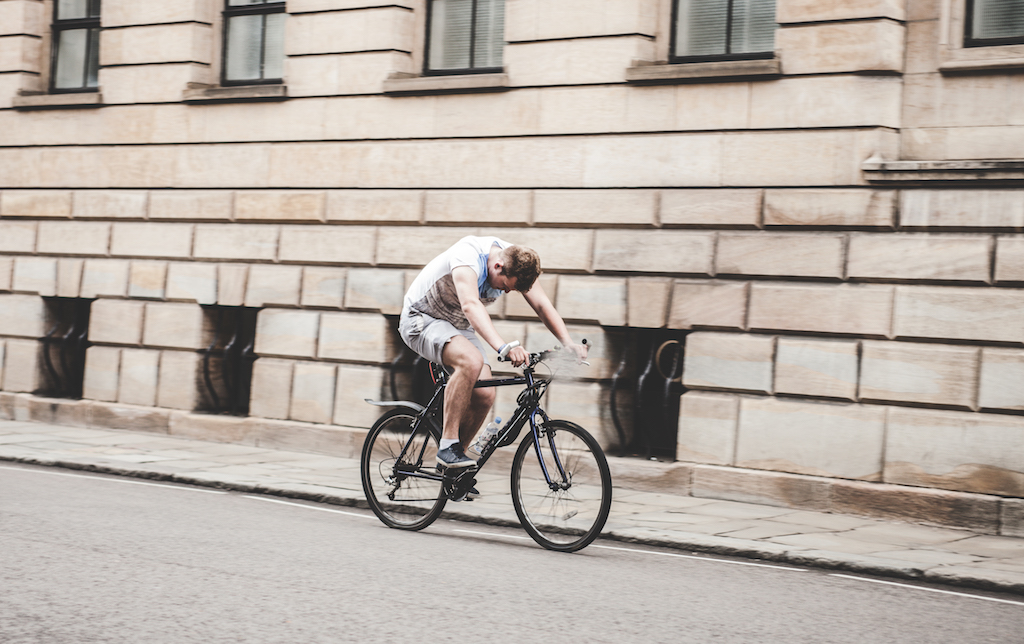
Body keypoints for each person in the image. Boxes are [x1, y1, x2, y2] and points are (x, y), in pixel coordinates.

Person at [399, 235, 588, 470]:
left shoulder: (519, 261)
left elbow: (541, 305)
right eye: (506, 286)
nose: (506, 293)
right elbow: (470, 304)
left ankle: (455, 466)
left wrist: (567, 342)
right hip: (421, 319)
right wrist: (503, 347)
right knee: (471, 361)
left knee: (485, 395)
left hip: (456, 326)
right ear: (498, 266)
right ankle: (447, 446)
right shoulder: (467, 256)